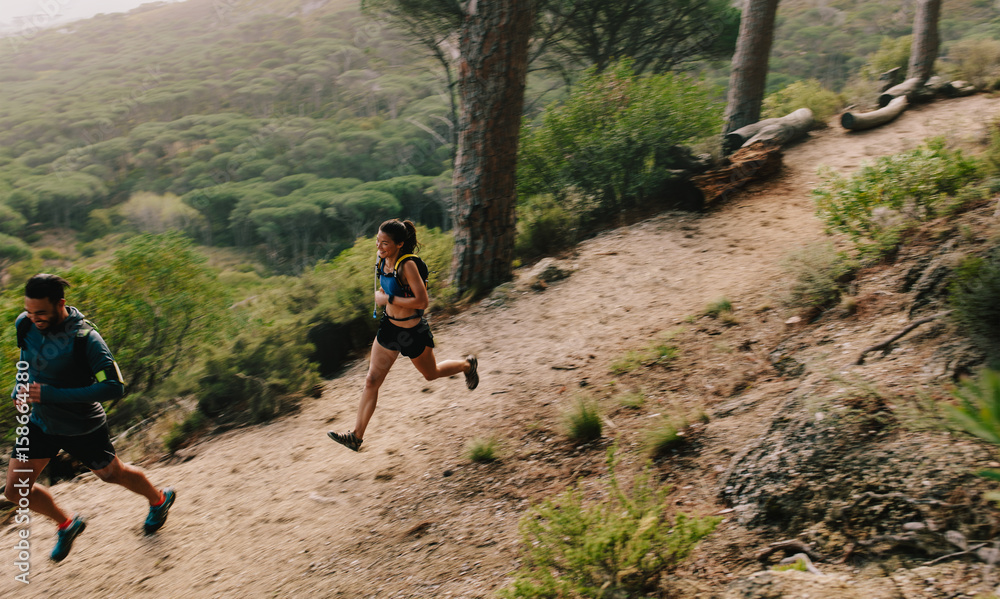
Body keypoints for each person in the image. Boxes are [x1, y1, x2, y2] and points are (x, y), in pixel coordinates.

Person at [4, 274, 175, 562]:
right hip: (41, 422)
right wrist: (19, 386)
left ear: (61, 303)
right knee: (15, 490)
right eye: (30, 311)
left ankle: (159, 499)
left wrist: (51, 394)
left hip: (82, 425)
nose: (34, 318)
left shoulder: (85, 338)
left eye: (41, 312)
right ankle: (67, 524)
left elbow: (113, 387)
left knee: (112, 475)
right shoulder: (25, 323)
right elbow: (27, 361)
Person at [328, 220, 478, 452]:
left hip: (412, 332)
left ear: (399, 244)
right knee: (371, 381)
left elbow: (422, 301)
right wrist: (386, 296)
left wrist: (388, 299)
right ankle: (356, 436)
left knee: (431, 373)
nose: (379, 246)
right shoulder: (382, 261)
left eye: (385, 243)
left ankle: (467, 365)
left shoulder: (407, 265)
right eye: (378, 241)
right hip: (390, 329)